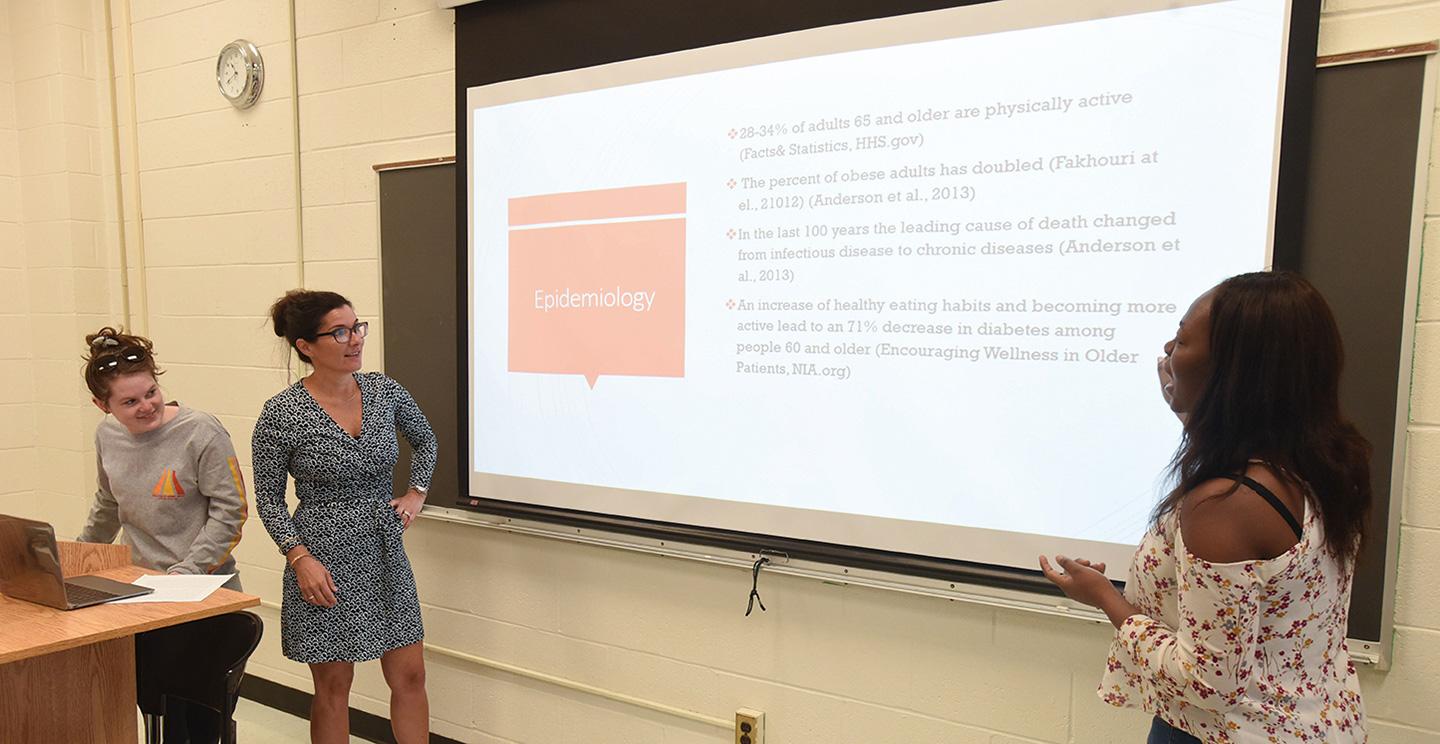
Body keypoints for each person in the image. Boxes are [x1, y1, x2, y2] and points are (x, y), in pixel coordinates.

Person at [1039, 271, 1370, 744]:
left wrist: (1105, 598)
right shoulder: (1323, 465)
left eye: (1182, 340)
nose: (1168, 350)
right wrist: (1191, 412)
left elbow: (1208, 683)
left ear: (1232, 372)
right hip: (1317, 725)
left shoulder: (1224, 503)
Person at [251, 289, 437, 744]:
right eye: (339, 332)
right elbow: (269, 499)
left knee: (410, 676)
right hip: (321, 559)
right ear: (306, 347)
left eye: (357, 327)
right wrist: (299, 559)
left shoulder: (383, 391)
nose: (355, 340)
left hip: (383, 552)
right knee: (334, 687)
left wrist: (415, 494)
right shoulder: (281, 414)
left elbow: (426, 441)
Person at [78, 326, 249, 744]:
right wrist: (79, 557)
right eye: (129, 401)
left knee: (199, 722)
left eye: (151, 393)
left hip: (203, 597)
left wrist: (185, 573)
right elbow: (108, 502)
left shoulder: (201, 432)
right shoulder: (107, 435)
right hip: (139, 597)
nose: (146, 406)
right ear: (102, 405)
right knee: (153, 709)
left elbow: (231, 512)